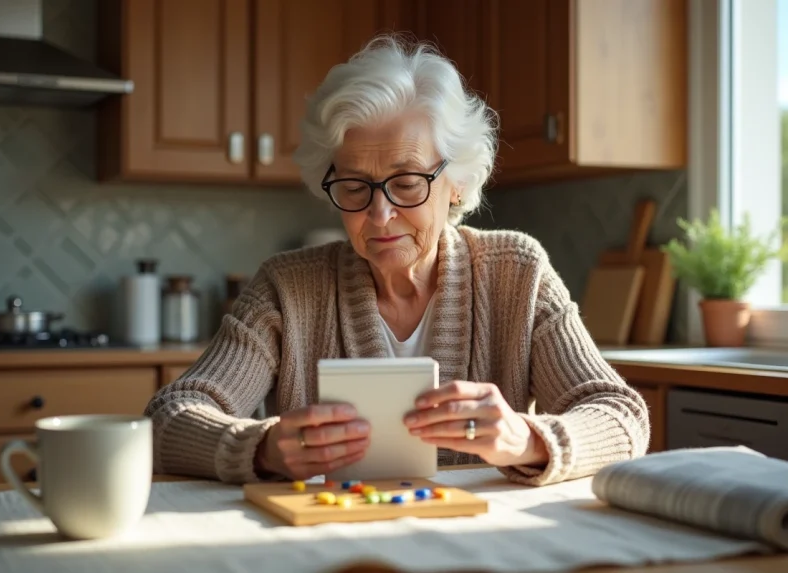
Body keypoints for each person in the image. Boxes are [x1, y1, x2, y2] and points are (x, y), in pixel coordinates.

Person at [144, 36, 650, 486]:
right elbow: (169, 417)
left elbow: (621, 415)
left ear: (455, 183)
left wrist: (528, 439)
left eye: (407, 183)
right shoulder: (287, 287)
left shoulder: (517, 272)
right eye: (354, 186)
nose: (379, 215)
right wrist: (264, 448)